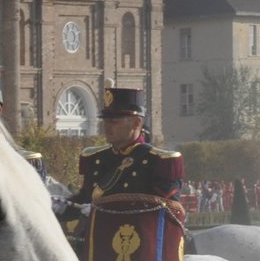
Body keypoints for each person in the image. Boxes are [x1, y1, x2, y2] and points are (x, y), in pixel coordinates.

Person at [56, 85, 182, 222]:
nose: (107, 126)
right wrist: (63, 206)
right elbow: (85, 199)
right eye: (105, 121)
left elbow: (165, 210)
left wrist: (104, 212)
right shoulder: (95, 157)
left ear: (136, 123)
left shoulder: (158, 161)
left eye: (114, 121)